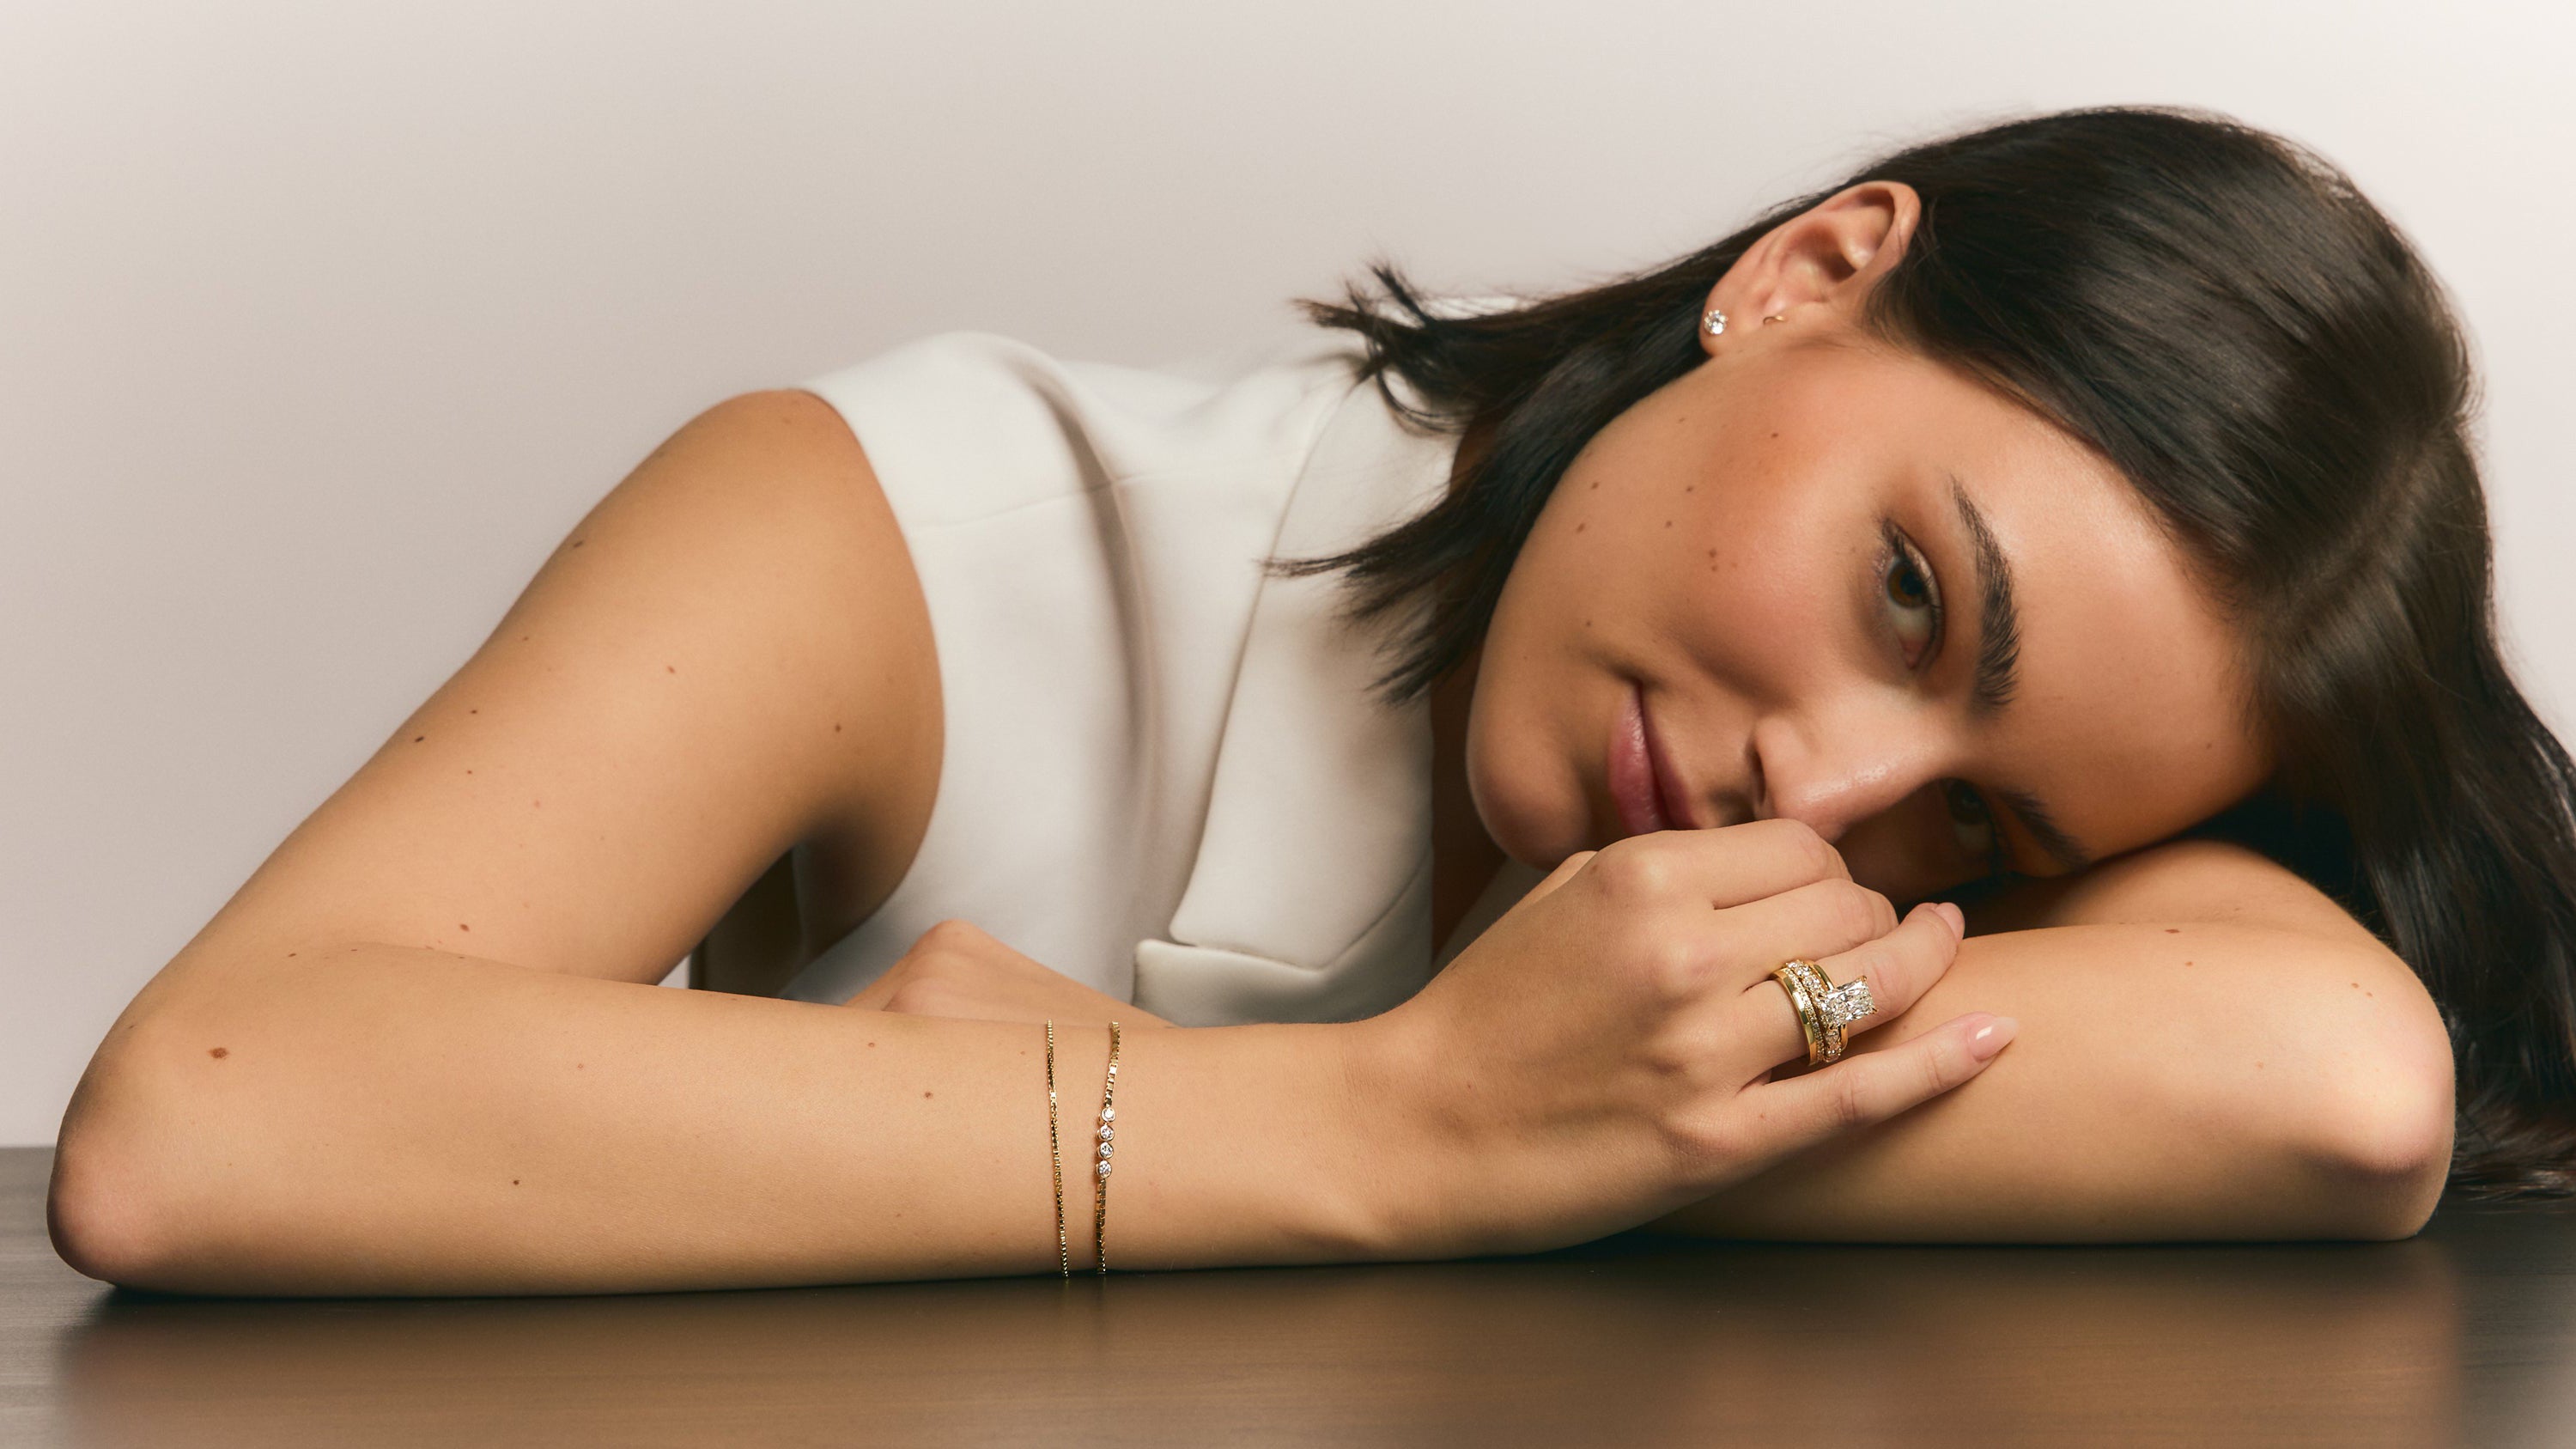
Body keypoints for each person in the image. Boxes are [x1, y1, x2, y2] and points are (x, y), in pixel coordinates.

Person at [45, 104, 2572, 1298]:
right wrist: (1400, 1122)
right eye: (1910, 593)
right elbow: (207, 1121)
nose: (1843, 798)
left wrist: (1081, 1108)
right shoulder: (902, 521)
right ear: (1810, 270)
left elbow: (2336, 1083)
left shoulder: (1862, 841)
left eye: (1992, 844)